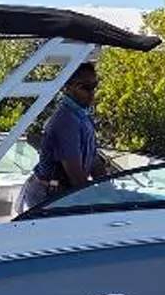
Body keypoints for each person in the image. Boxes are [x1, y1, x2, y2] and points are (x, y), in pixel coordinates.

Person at [15, 62, 104, 215]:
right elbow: (76, 178)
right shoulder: (66, 121)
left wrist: (107, 187)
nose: (92, 93)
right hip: (48, 196)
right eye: (85, 87)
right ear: (67, 87)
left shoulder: (83, 117)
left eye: (94, 87)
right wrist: (103, 199)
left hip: (64, 194)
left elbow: (93, 159)